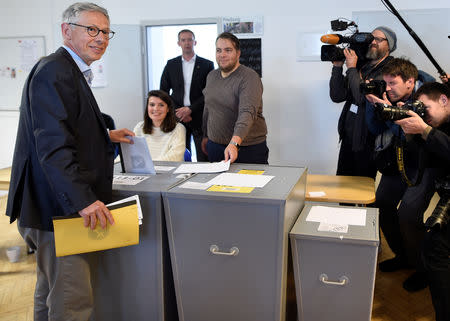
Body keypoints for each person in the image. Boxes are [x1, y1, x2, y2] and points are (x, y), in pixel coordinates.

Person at [5, 3, 134, 320]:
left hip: (49, 208)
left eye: (105, 31)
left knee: (49, 293)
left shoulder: (65, 69)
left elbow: (63, 127)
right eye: (91, 29)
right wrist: (84, 201)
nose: (100, 38)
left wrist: (105, 134)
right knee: (72, 302)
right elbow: (53, 147)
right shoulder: (56, 71)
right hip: (60, 211)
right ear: (66, 30)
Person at [366, 58, 439, 292]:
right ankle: (403, 256)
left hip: (424, 165)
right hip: (396, 161)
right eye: (385, 82)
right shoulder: (388, 97)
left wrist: (392, 113)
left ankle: (423, 268)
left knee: (408, 214)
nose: (387, 88)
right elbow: (375, 129)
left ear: (410, 82)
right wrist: (377, 108)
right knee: (382, 205)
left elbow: (419, 133)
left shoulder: (428, 98)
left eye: (392, 83)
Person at [395, 82, 450, 321]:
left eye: (425, 107)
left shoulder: (436, 128)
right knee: (434, 248)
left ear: (444, 100)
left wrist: (425, 130)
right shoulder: (437, 124)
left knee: (435, 249)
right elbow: (425, 160)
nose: (423, 114)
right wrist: (412, 134)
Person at [330, 26, 396, 179]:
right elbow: (337, 95)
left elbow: (362, 98)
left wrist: (352, 68)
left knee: (362, 189)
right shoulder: (363, 66)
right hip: (348, 137)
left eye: (379, 39)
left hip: (367, 139)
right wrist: (337, 68)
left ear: (389, 46)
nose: (373, 42)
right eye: (371, 38)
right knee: (343, 185)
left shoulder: (389, 69)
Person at [202, 32, 268, 164]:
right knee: (217, 185)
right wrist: (206, 136)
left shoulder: (249, 77)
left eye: (228, 50)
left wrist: (234, 143)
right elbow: (208, 109)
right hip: (216, 146)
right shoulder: (212, 76)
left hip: (246, 148)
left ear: (238, 53)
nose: (222, 55)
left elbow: (247, 113)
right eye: (218, 50)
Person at [160, 29, 214, 162]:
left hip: (199, 117)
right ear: (178, 43)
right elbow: (163, 92)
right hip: (177, 117)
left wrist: (190, 109)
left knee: (203, 157)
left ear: (195, 42)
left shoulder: (207, 64)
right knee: (180, 156)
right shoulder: (171, 64)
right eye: (183, 40)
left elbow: (210, 92)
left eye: (190, 39)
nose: (187, 43)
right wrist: (178, 111)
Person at [133, 90, 186, 161]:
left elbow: (175, 157)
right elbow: (130, 152)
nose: (156, 109)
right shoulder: (139, 127)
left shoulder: (178, 128)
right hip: (144, 170)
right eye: (152, 105)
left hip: (168, 170)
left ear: (168, 109)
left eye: (161, 105)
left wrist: (149, 165)